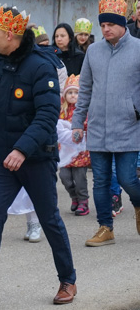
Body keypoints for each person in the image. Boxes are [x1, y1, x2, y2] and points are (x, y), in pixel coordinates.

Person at [0, 4, 77, 308]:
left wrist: (22, 149)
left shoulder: (41, 65)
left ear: (11, 35)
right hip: (4, 161)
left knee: (50, 219)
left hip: (37, 157)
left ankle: (68, 280)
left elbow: (48, 114)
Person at [71, 0, 140, 247]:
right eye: (102, 25)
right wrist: (78, 121)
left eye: (111, 24)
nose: (106, 29)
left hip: (129, 127)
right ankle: (105, 228)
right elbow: (85, 88)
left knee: (127, 178)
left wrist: (135, 108)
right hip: (98, 127)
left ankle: (138, 203)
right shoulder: (93, 51)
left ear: (123, 25)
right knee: (99, 180)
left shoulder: (138, 49)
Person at [57, 75, 90, 216]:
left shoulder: (84, 111)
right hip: (65, 150)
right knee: (65, 177)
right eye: (70, 92)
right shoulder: (62, 111)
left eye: (76, 93)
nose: (73, 95)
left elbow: (88, 126)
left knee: (80, 178)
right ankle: (73, 196)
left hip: (80, 152)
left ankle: (83, 201)